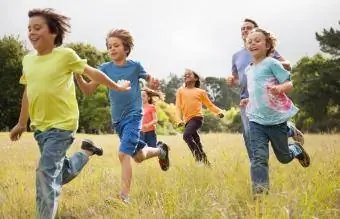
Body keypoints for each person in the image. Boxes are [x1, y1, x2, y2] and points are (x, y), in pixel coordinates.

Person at [9, 8, 130, 219]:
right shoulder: (28, 61)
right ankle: (86, 152)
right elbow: (29, 91)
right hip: (41, 127)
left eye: (37, 28)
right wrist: (22, 123)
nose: (31, 33)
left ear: (53, 32)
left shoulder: (65, 55)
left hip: (63, 125)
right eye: (29, 29)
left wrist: (116, 87)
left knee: (46, 172)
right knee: (59, 172)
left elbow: (94, 73)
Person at [75, 29, 170, 203]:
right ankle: (161, 150)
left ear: (126, 48)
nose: (112, 49)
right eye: (109, 46)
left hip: (134, 116)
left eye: (116, 45)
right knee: (138, 156)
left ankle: (124, 196)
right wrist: (79, 77)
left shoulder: (134, 66)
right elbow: (88, 90)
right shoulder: (104, 68)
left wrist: (153, 81)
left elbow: (149, 78)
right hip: (118, 121)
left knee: (123, 154)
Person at [244, 28, 310, 196]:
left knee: (284, 158)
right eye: (249, 41)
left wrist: (280, 88)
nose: (252, 43)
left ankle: (295, 148)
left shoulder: (272, 63)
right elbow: (255, 91)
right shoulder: (248, 69)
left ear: (267, 45)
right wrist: (248, 100)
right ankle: (260, 194)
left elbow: (289, 83)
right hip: (256, 120)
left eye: (257, 40)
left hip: (275, 120)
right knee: (258, 158)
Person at [226, 18, 303, 161]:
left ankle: (288, 131)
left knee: (278, 146)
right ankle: (257, 164)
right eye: (242, 29)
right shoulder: (236, 56)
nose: (245, 30)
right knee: (249, 133)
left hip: (270, 99)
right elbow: (239, 79)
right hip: (247, 99)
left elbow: (288, 65)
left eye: (248, 28)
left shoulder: (266, 50)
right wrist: (232, 80)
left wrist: (274, 65)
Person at [175, 69, 224, 166]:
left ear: (196, 78)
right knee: (197, 142)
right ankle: (207, 164)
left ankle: (198, 158)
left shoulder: (200, 92)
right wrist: (179, 120)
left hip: (197, 118)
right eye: (185, 75)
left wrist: (218, 112)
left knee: (186, 135)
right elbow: (178, 107)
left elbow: (209, 105)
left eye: (189, 74)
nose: (186, 75)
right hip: (187, 121)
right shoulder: (180, 91)